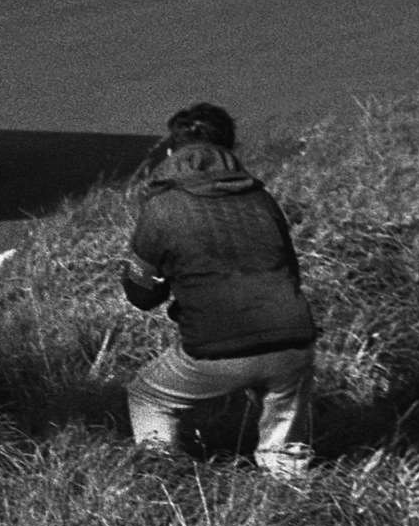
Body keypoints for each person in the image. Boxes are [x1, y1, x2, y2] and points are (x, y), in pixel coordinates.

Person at [120, 103, 317, 475]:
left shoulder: (162, 208)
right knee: (286, 456)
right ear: (232, 149)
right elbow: (291, 273)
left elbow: (140, 294)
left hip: (217, 349)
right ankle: (293, 500)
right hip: (293, 342)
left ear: (169, 151)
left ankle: (167, 480)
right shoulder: (262, 199)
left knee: (148, 394)